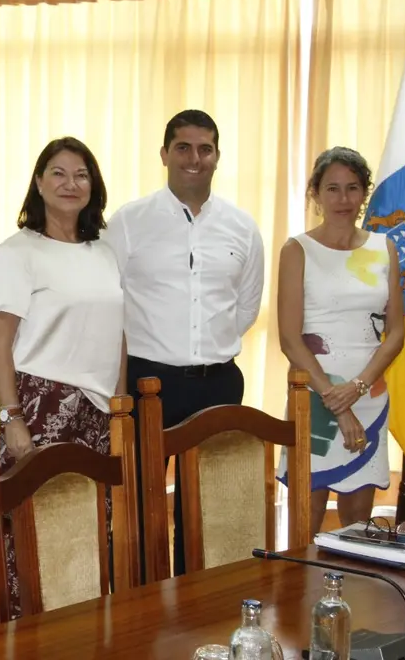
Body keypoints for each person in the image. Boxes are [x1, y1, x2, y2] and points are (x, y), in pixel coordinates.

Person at [102, 109, 265, 578]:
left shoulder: (241, 226)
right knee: (137, 508)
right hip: (147, 382)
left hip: (217, 386)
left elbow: (246, 306)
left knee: (205, 512)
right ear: (165, 154)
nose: (195, 158)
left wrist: (211, 348)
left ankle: (195, 611)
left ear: (217, 156)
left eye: (205, 149)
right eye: (183, 148)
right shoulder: (129, 222)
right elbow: (109, 301)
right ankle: (136, 613)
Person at [0, 136, 125, 616]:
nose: (71, 183)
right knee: (28, 535)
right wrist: (12, 417)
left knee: (87, 536)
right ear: (39, 184)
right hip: (40, 405)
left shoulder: (104, 252)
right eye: (59, 173)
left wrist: (121, 408)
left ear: (94, 186)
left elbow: (117, 335)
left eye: (81, 174)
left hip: (99, 411)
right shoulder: (18, 251)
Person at [276, 147, 404, 539]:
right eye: (332, 188)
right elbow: (289, 338)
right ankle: (300, 598)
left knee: (358, 527)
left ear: (364, 193)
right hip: (314, 394)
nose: (343, 199)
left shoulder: (384, 248)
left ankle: (353, 598)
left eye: (352, 188)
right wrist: (335, 399)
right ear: (315, 193)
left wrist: (358, 388)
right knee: (306, 522)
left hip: (368, 393)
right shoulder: (298, 250)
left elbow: (395, 333)